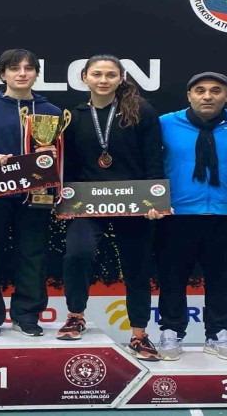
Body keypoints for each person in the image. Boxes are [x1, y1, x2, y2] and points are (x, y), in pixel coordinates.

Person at [58, 55, 164, 361]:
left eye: (110, 74)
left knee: (137, 265)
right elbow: (69, 165)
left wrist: (156, 200)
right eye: (97, 74)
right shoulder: (74, 115)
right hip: (88, 202)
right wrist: (65, 201)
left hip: (134, 202)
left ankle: (139, 335)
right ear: (84, 77)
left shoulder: (141, 111)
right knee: (78, 252)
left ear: (121, 78)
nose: (103, 80)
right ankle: (76, 316)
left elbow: (153, 157)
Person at [0, 49, 61, 337]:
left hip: (36, 193)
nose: (22, 73)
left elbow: (62, 157)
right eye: (15, 68)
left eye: (28, 68)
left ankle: (27, 315)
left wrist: (53, 154)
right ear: (2, 74)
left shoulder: (52, 112)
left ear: (36, 74)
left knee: (33, 254)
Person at [156, 72, 227, 361]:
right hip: (176, 215)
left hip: (224, 215)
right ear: (189, 95)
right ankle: (171, 332)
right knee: (172, 278)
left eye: (216, 90)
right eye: (200, 90)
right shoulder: (165, 123)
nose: (208, 96)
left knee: (221, 279)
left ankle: (217, 333)